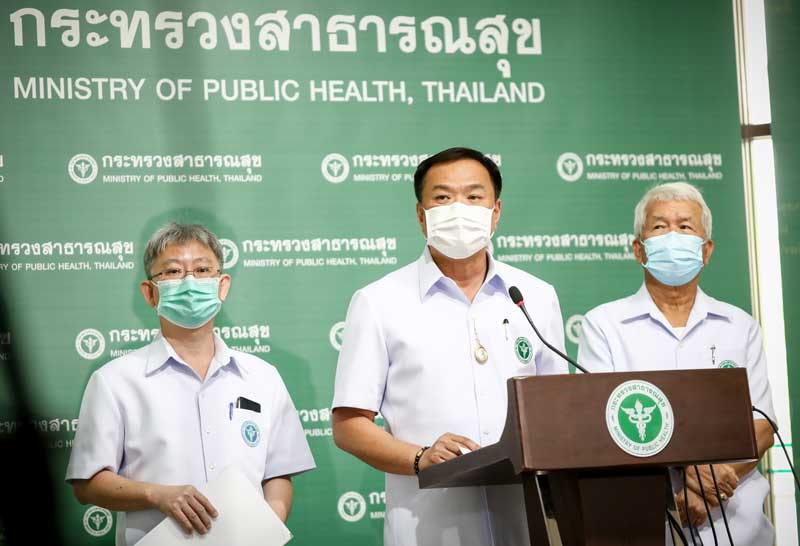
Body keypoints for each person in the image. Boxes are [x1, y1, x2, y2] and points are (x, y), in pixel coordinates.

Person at [332, 147, 568, 546]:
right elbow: (349, 426)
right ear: (421, 215)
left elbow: (559, 409)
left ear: (496, 211)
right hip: (429, 525)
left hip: (526, 520)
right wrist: (420, 457)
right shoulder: (379, 301)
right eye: (443, 197)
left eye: (474, 196)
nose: (459, 209)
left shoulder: (535, 296)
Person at [66, 222, 314, 546]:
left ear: (222, 285)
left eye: (202, 270)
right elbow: (87, 484)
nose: (190, 282)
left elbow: (278, 475)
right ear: (150, 293)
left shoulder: (263, 376)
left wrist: (265, 531)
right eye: (173, 271)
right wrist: (156, 495)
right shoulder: (115, 381)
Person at [578, 182, 775, 545]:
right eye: (659, 226)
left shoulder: (740, 326)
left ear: (706, 250)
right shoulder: (603, 325)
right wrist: (679, 484)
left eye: (685, 226)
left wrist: (707, 486)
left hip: (740, 530)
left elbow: (761, 428)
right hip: (645, 524)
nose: (673, 236)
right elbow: (600, 432)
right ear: (639, 250)